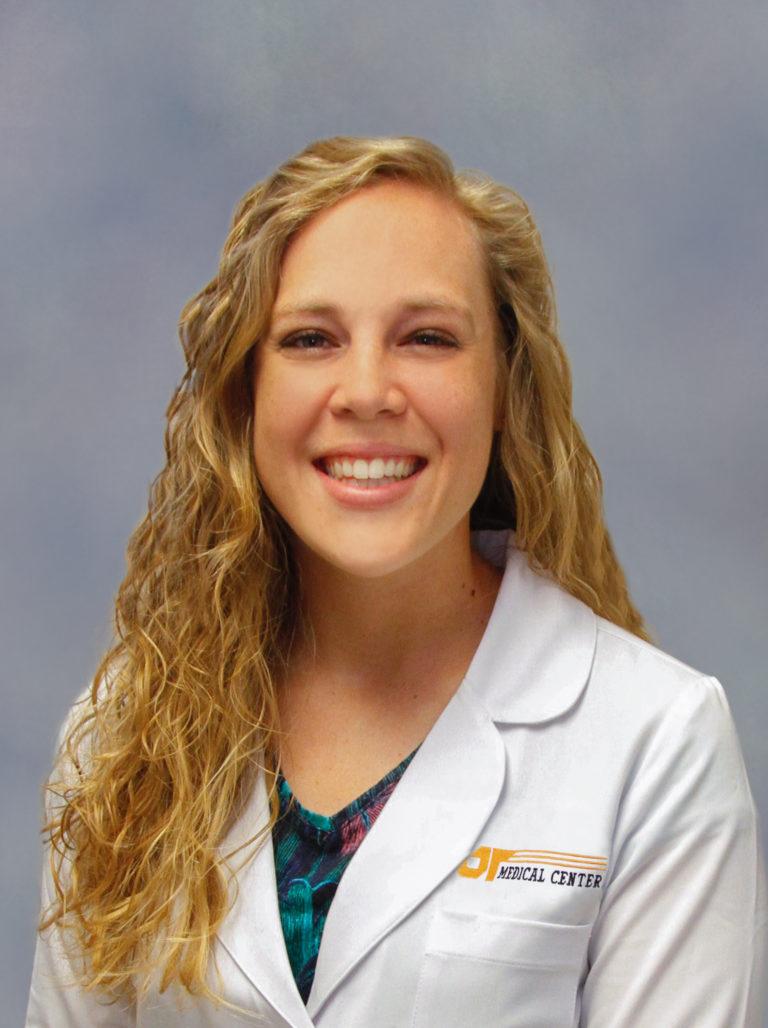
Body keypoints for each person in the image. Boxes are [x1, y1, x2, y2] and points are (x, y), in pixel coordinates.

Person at [26, 136, 767, 1027]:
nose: (368, 390)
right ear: (245, 392)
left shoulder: (656, 745)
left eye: (427, 338)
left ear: (506, 389)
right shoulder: (124, 734)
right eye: (310, 339)